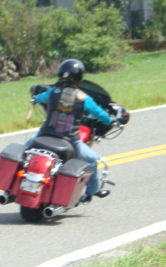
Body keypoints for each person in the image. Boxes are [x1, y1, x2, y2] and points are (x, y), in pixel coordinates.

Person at [28, 58, 118, 202]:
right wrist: (109, 120)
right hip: (70, 141)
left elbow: (39, 98)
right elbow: (100, 114)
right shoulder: (83, 98)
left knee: (26, 150)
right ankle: (93, 191)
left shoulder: (52, 92)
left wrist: (35, 99)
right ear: (79, 77)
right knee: (92, 160)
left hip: (44, 135)